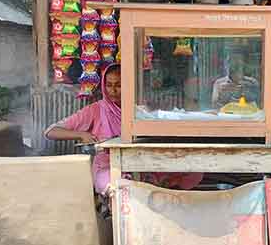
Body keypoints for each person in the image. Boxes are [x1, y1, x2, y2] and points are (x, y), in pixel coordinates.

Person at [45, 63, 202, 194]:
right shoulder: (95, 110)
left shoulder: (138, 110)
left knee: (194, 171)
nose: (113, 90)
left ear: (128, 86)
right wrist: (81, 134)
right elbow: (51, 131)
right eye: (109, 85)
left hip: (141, 164)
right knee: (120, 185)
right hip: (109, 167)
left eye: (119, 85)